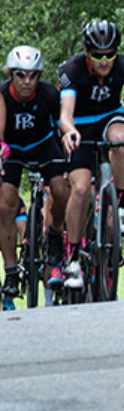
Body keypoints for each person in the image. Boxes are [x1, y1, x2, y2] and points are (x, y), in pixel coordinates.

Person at [58, 19, 124, 289]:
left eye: (110, 54)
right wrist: (70, 131)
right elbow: (65, 115)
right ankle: (73, 258)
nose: (104, 60)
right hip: (80, 124)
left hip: (110, 118)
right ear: (87, 52)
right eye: (98, 55)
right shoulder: (71, 69)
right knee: (79, 191)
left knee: (122, 139)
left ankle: (120, 204)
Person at [0, 45, 69, 296]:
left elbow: (61, 126)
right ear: (11, 74)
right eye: (20, 75)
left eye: (33, 75)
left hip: (43, 145)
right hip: (13, 149)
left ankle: (53, 240)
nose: (27, 81)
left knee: (61, 191)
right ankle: (10, 272)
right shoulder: (2, 95)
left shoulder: (49, 93)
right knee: (5, 204)